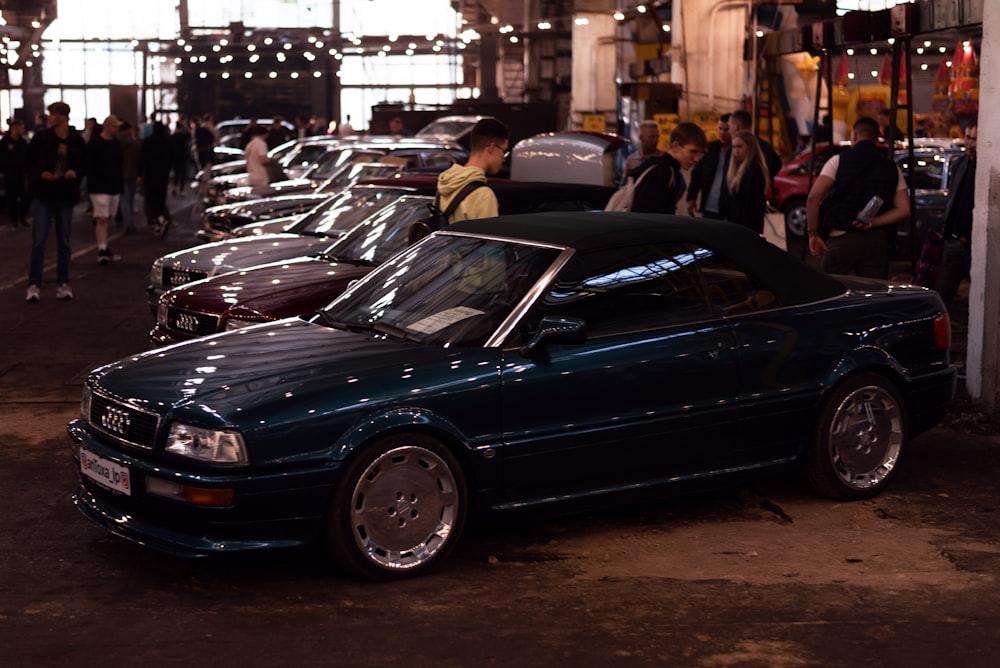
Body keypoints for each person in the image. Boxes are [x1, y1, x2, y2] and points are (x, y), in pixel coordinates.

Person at [806, 116, 910, 279]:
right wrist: (873, 222)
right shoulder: (891, 167)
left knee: (831, 292)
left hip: (840, 237)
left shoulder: (837, 161)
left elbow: (813, 197)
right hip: (876, 241)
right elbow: (904, 209)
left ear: (854, 135)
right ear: (877, 137)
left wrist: (813, 233)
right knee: (873, 294)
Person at [24, 101, 87, 302]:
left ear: (64, 116)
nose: (50, 117)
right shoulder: (42, 138)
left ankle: (63, 283)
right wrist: (41, 174)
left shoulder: (76, 140)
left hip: (65, 195)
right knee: (39, 241)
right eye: (50, 114)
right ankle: (34, 284)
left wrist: (74, 172)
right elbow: (30, 163)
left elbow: (85, 164)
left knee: (64, 241)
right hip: (44, 194)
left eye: (54, 114)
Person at [934, 120, 977, 310]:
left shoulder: (986, 166)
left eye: (975, 139)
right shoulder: (961, 163)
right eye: (968, 138)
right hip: (953, 239)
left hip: (972, 242)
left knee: (977, 293)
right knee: (944, 290)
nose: (970, 143)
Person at [435, 117, 509, 223]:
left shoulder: (444, 184)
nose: (503, 159)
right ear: (492, 148)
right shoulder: (483, 195)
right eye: (504, 151)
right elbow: (487, 238)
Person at [628, 121, 707, 215]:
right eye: (693, 152)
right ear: (675, 146)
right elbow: (648, 215)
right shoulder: (663, 171)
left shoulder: (667, 168)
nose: (697, 159)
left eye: (700, 153)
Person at [86, 114, 125, 264]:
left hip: (113, 185)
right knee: (102, 218)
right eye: (115, 126)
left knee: (107, 218)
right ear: (108, 127)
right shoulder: (95, 144)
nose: (117, 129)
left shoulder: (116, 143)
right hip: (100, 186)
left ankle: (104, 247)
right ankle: (102, 249)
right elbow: (90, 164)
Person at [720, 130, 769, 234]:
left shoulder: (754, 169)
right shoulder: (735, 168)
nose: (736, 151)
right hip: (735, 225)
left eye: (740, 147)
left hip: (746, 228)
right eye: (734, 147)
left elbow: (751, 205)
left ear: (750, 147)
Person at [686, 113, 732, 219]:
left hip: (729, 210)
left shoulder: (737, 151)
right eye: (720, 129)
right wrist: (691, 198)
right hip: (709, 207)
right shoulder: (709, 149)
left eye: (726, 129)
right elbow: (697, 174)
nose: (722, 133)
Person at [728, 109, 782, 184]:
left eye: (729, 127)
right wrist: (766, 180)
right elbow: (778, 164)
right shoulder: (764, 145)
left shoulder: (739, 146)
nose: (729, 131)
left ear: (737, 126)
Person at [139, 121, 174, 235]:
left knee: (150, 199)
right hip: (163, 175)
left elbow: (142, 160)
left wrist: (139, 174)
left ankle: (159, 220)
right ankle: (160, 221)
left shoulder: (148, 142)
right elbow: (171, 159)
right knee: (160, 198)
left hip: (150, 174)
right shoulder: (167, 142)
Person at [0, 118, 30, 229]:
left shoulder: (23, 142)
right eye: (21, 128)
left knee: (25, 197)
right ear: (14, 128)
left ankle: (22, 217)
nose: (23, 130)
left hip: (22, 174)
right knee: (11, 198)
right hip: (10, 174)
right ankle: (14, 220)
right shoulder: (4, 142)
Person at [118, 120, 141, 233]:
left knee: (125, 200)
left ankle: (128, 223)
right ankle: (130, 223)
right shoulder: (135, 143)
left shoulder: (117, 142)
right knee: (131, 199)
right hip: (133, 173)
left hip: (122, 174)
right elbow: (139, 159)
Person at [244, 124, 271, 194]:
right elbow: (263, 160)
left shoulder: (249, 144)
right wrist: (269, 161)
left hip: (251, 177)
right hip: (260, 177)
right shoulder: (261, 144)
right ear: (265, 134)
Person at [170, 119, 193, 195]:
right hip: (183, 157)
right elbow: (190, 135)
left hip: (175, 157)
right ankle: (181, 189)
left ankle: (175, 188)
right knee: (183, 174)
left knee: (176, 174)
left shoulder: (173, 137)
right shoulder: (183, 136)